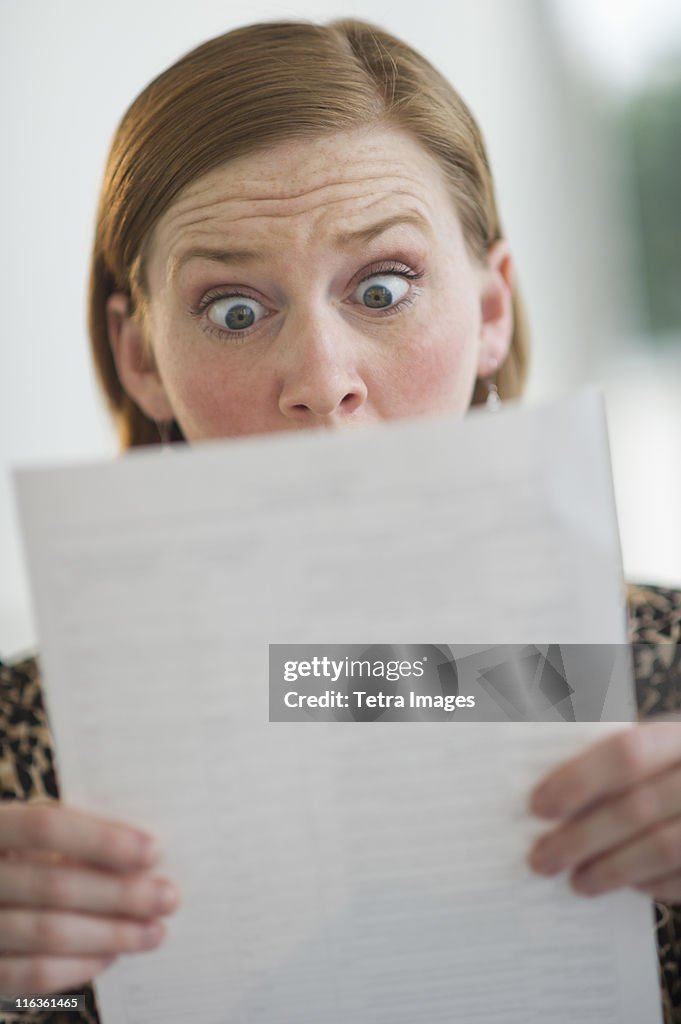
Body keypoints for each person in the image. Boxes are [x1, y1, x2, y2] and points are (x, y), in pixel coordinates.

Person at [1, 17, 680, 1024]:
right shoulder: (16, 765)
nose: (322, 380)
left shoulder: (668, 680)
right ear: (141, 356)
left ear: (492, 310)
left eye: (382, 287)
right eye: (235, 310)